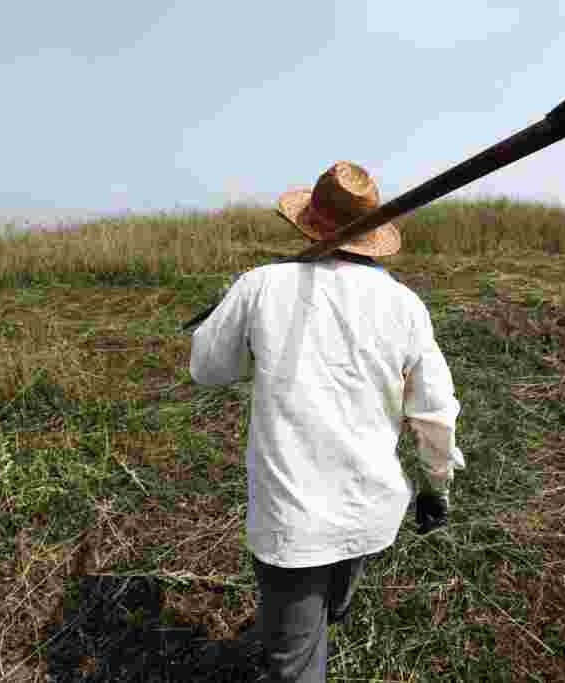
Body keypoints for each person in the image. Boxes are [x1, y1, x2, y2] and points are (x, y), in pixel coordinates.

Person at [189, 160, 465, 682]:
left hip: (292, 522)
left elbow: (208, 368)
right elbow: (434, 412)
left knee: (293, 667)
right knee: (329, 610)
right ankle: (317, 627)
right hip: (371, 511)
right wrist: (437, 487)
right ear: (372, 235)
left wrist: (233, 307)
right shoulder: (404, 305)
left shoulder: (260, 285)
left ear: (309, 225)